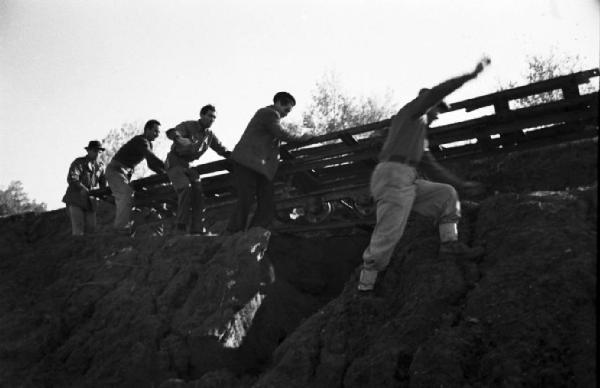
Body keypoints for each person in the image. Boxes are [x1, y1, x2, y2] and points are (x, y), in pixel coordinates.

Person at [358, 57, 491, 292]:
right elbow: (439, 91)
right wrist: (471, 75)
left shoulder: (419, 137)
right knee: (389, 231)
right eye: (438, 108)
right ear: (428, 104)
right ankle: (365, 288)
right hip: (393, 176)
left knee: (446, 195)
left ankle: (449, 243)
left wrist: (461, 185)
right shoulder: (413, 113)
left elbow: (432, 167)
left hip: (405, 177)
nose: (438, 115)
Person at [226, 92, 313, 233]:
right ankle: (235, 231)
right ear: (278, 103)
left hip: (259, 165)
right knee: (247, 197)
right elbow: (282, 134)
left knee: (266, 199)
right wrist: (303, 137)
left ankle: (254, 231)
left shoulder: (269, 115)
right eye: (287, 110)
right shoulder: (269, 113)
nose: (286, 114)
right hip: (249, 162)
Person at [165, 105, 230, 235]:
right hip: (175, 162)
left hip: (188, 165)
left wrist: (235, 156)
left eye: (214, 117)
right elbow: (173, 133)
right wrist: (178, 137)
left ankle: (198, 228)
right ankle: (181, 226)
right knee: (185, 187)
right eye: (209, 116)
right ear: (202, 115)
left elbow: (221, 149)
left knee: (198, 192)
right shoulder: (188, 126)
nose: (212, 119)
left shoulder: (209, 135)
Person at [105, 119, 166, 234]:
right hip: (115, 171)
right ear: (147, 129)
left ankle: (130, 226)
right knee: (126, 193)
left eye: (158, 132)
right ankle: (120, 227)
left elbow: (151, 164)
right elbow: (151, 157)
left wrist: (164, 174)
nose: (157, 135)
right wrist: (167, 167)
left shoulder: (149, 144)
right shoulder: (141, 140)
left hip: (123, 173)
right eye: (155, 131)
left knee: (132, 196)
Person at [62, 140, 107, 236]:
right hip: (76, 200)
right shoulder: (79, 163)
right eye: (95, 151)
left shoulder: (101, 166)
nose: (97, 154)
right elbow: (72, 178)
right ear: (88, 151)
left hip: (90, 202)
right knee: (78, 227)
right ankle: (76, 247)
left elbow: (103, 184)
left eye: (99, 152)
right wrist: (82, 188)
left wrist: (105, 195)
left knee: (91, 228)